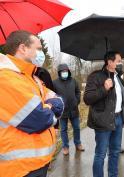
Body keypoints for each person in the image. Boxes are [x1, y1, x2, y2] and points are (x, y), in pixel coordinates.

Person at [0, 30, 64, 177]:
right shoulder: (6, 79)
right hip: (20, 169)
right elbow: (40, 119)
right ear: (23, 48)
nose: (41, 53)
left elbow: (57, 99)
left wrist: (49, 106)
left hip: (36, 163)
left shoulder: (30, 77)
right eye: (39, 48)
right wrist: (51, 107)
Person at [84, 51, 124, 177]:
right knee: (101, 153)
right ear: (110, 62)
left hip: (118, 119)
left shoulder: (118, 77)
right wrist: (104, 88)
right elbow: (87, 99)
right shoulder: (95, 76)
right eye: (119, 61)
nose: (121, 63)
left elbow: (122, 100)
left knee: (115, 152)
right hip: (102, 120)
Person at [53, 63, 84, 155]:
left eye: (66, 71)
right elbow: (53, 96)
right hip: (62, 111)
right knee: (63, 130)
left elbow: (78, 92)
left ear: (68, 72)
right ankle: (65, 147)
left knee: (77, 128)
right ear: (59, 72)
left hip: (74, 109)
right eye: (63, 71)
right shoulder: (55, 83)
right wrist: (58, 106)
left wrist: (76, 101)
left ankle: (78, 144)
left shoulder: (73, 81)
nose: (65, 73)